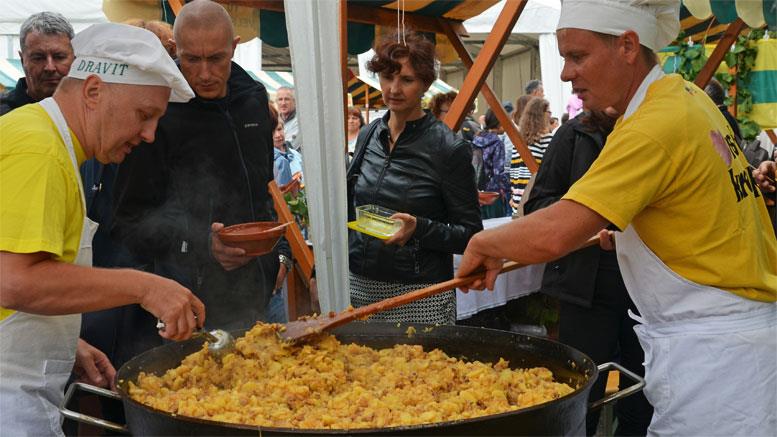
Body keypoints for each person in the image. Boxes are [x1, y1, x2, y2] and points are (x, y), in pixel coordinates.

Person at [458, 1, 776, 436]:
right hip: (727, 349)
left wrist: (483, 244)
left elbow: (555, 234)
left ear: (627, 45)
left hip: (716, 360)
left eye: (577, 55)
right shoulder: (688, 97)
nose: (567, 73)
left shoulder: (652, 125)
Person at [0, 22, 204, 436]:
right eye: (144, 115)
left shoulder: (43, 137)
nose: (148, 135)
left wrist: (65, 342)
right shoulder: (40, 150)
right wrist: (145, 286)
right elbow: (13, 280)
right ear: (93, 91)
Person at [112, 0, 290, 359]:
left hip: (254, 290)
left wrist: (278, 254)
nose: (205, 73)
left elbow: (261, 191)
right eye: (193, 60)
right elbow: (129, 218)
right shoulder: (157, 109)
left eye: (217, 59)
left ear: (234, 48)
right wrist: (201, 244)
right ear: (176, 51)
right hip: (185, 298)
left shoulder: (253, 98)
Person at [524, 110, 653, 435]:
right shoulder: (573, 134)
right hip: (586, 288)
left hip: (648, 291)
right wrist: (588, 221)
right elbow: (538, 205)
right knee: (582, 393)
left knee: (643, 393)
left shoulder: (653, 127)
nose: (573, 77)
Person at [347, 30, 482, 325]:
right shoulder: (369, 134)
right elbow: (350, 201)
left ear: (425, 84)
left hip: (420, 294)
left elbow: (471, 233)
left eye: (406, 80)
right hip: (360, 284)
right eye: (386, 77)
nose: (394, 88)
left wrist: (419, 228)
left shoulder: (449, 148)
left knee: (418, 371)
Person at [0, 12, 74, 115]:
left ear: (75, 59)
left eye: (59, 57)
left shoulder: (93, 110)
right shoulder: (3, 114)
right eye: (38, 58)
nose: (50, 67)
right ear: (22, 61)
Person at [510, 97, 553, 210]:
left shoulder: (519, 142)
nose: (551, 115)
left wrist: (513, 195)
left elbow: (513, 172)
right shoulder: (546, 139)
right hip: (534, 200)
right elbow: (551, 171)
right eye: (549, 112)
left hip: (517, 200)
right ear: (542, 114)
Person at [472, 108, 510, 219]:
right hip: (493, 195)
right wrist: (507, 189)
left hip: (477, 192)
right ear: (499, 123)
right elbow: (498, 172)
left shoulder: (477, 139)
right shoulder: (497, 143)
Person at [276, 86, 302, 152]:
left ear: (294, 101)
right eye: (280, 99)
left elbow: (290, 146)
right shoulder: (274, 120)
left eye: (287, 99)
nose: (283, 103)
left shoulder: (300, 121)